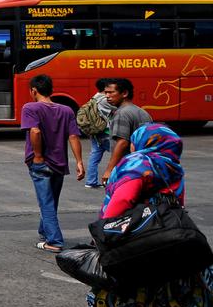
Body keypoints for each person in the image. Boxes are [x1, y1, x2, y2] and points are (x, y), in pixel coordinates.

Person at [74, 124, 213, 307]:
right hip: (165, 243)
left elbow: (121, 201)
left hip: (132, 242)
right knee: (162, 306)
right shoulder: (172, 166)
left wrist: (104, 237)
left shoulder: (137, 163)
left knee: (109, 296)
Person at [21, 74, 85, 252]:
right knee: (51, 200)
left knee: (46, 202)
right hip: (59, 163)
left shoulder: (30, 108)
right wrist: (79, 161)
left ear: (34, 91)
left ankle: (54, 241)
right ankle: (44, 230)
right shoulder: (66, 110)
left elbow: (34, 131)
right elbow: (73, 136)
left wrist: (38, 156)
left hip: (41, 163)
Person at [100, 77, 152, 184]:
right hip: (144, 166)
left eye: (111, 92)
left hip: (128, 168)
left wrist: (109, 170)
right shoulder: (143, 112)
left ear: (124, 93)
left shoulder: (122, 113)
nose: (107, 96)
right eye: (105, 93)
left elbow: (122, 142)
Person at [79, 78, 114, 188]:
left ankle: (91, 181)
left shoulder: (95, 97)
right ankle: (112, 180)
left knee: (94, 156)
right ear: (105, 88)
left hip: (96, 131)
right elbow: (120, 108)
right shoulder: (104, 100)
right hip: (105, 131)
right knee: (118, 154)